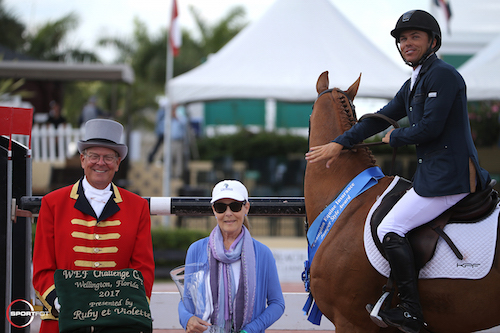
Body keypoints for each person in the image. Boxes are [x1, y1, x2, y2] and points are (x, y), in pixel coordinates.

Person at [305, 9, 490, 333]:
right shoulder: (415, 81)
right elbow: (380, 117)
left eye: (414, 37)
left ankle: (410, 310)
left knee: (391, 227)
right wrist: (339, 143)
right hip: (434, 177)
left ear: (433, 41)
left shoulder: (443, 76)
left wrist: (398, 136)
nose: (407, 43)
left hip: (450, 178)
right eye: (403, 39)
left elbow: (431, 127)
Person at [32, 119, 155, 333]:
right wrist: (64, 303)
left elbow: (143, 269)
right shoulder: (52, 203)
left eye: (108, 157)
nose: (101, 163)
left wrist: (128, 308)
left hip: (117, 324)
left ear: (118, 163)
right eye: (94, 156)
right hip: (62, 322)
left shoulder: (138, 207)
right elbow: (42, 268)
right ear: (82, 160)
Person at [178, 180, 285, 333]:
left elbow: (277, 303)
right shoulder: (196, 250)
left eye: (235, 206)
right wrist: (187, 319)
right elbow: (186, 299)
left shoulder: (262, 253)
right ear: (214, 210)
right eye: (221, 207)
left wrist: (250, 330)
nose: (228, 213)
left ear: (246, 208)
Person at [148, 102, 187, 179]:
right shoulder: (168, 117)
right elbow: (163, 124)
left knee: (178, 158)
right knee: (170, 158)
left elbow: (184, 122)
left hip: (179, 141)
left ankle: (178, 175)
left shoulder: (180, 113)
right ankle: (170, 174)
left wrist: (176, 117)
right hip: (170, 141)